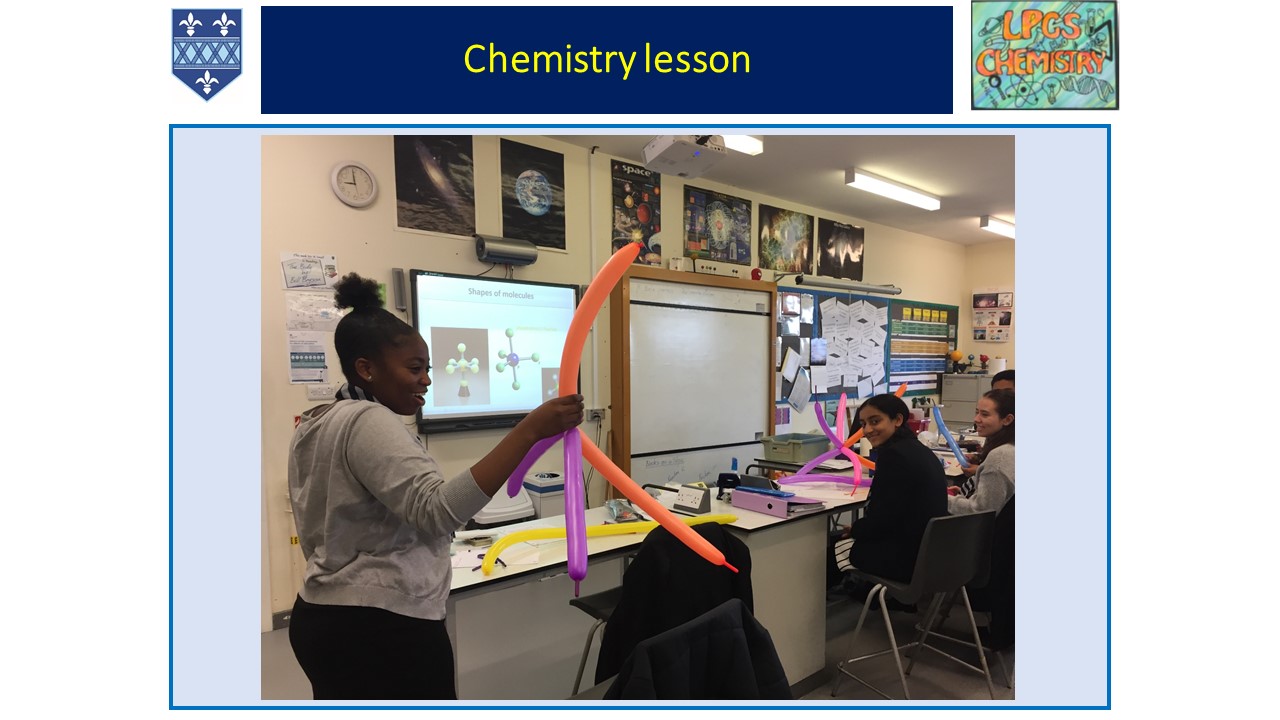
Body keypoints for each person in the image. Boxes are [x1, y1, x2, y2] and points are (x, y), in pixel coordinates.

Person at [287, 273, 584, 700]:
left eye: (426, 368)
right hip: (378, 628)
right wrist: (529, 430)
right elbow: (438, 510)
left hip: (322, 617)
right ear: (366, 369)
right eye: (414, 369)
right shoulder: (367, 420)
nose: (426, 379)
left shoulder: (316, 422)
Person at [833, 393, 948, 584]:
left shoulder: (894, 457)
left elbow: (882, 519)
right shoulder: (919, 449)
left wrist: (856, 530)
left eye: (875, 421)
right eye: (863, 424)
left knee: (830, 549)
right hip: (933, 553)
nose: (867, 430)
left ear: (898, 420)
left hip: (906, 559)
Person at [948, 389, 1014, 515]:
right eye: (977, 412)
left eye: (985, 414)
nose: (976, 419)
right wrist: (964, 495)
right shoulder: (1008, 446)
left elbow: (981, 511)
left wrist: (943, 499)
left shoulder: (1000, 456)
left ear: (1007, 420)